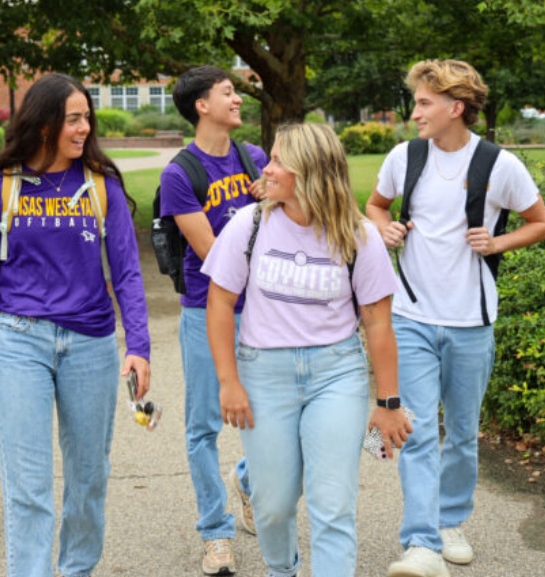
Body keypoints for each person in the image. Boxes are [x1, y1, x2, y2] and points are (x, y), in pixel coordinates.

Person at [365, 59, 545, 577]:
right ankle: (421, 544)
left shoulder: (500, 164)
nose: (414, 112)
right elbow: (376, 206)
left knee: (464, 434)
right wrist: (384, 228)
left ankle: (450, 522)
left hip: (472, 321)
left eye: (424, 103)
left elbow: (541, 223)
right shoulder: (405, 157)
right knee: (418, 430)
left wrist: (497, 242)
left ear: (456, 107)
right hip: (411, 317)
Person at [0, 73, 151, 577]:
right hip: (19, 341)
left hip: (90, 344)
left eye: (87, 118)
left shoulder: (101, 186)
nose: (85, 127)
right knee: (28, 483)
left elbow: (127, 272)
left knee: (88, 477)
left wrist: (139, 344)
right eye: (74, 119)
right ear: (44, 124)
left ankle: (77, 569)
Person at [203, 122, 409, 577]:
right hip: (263, 374)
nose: (267, 168)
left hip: (336, 374)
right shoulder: (249, 224)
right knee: (273, 505)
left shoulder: (359, 236)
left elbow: (378, 323)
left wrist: (388, 403)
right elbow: (219, 302)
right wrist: (228, 381)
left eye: (279, 161)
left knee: (332, 504)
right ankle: (282, 569)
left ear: (310, 171)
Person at [157, 64, 267, 576]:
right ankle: (215, 531)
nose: (237, 99)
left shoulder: (255, 159)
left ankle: (246, 479)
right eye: (228, 92)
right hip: (206, 312)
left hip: (263, 310)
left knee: (271, 417)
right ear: (202, 105)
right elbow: (213, 255)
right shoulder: (179, 175)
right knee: (203, 426)